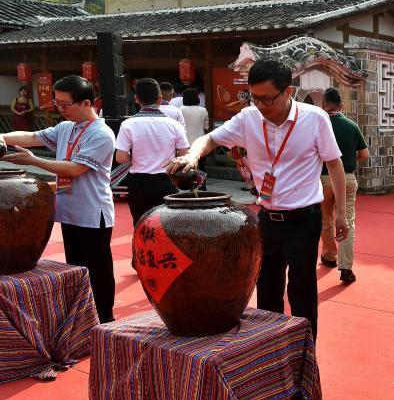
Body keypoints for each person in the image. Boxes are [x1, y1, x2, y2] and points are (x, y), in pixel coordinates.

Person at [166, 59, 348, 340]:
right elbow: (210, 140)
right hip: (267, 219)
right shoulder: (248, 118)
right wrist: (192, 155)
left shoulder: (315, 119)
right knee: (267, 289)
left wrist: (339, 214)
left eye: (267, 99)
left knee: (302, 291)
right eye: (254, 98)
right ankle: (270, 349)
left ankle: (304, 350)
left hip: (304, 219)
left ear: (288, 92)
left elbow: (334, 164)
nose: (261, 105)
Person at [0, 75, 116, 322]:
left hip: (92, 213)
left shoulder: (102, 134)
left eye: (66, 104)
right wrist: (4, 137)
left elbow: (75, 169)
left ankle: (105, 318)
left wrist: (33, 161)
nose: (61, 110)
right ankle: (83, 318)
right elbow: (33, 137)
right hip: (69, 210)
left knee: (98, 271)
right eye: (58, 104)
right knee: (76, 268)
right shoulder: (66, 127)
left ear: (87, 103)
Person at [115, 78, 189, 225]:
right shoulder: (174, 125)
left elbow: (121, 158)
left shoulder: (128, 124)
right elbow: (184, 154)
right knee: (169, 225)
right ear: (160, 99)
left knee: (141, 224)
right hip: (166, 179)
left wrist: (133, 157)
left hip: (138, 182)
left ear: (136, 99)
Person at [318, 88, 369, 284]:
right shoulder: (351, 125)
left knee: (326, 220)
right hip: (347, 179)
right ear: (341, 105)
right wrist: (347, 159)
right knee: (347, 220)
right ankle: (346, 267)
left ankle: (329, 256)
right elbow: (364, 155)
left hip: (322, 180)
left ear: (323, 104)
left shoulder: (318, 126)